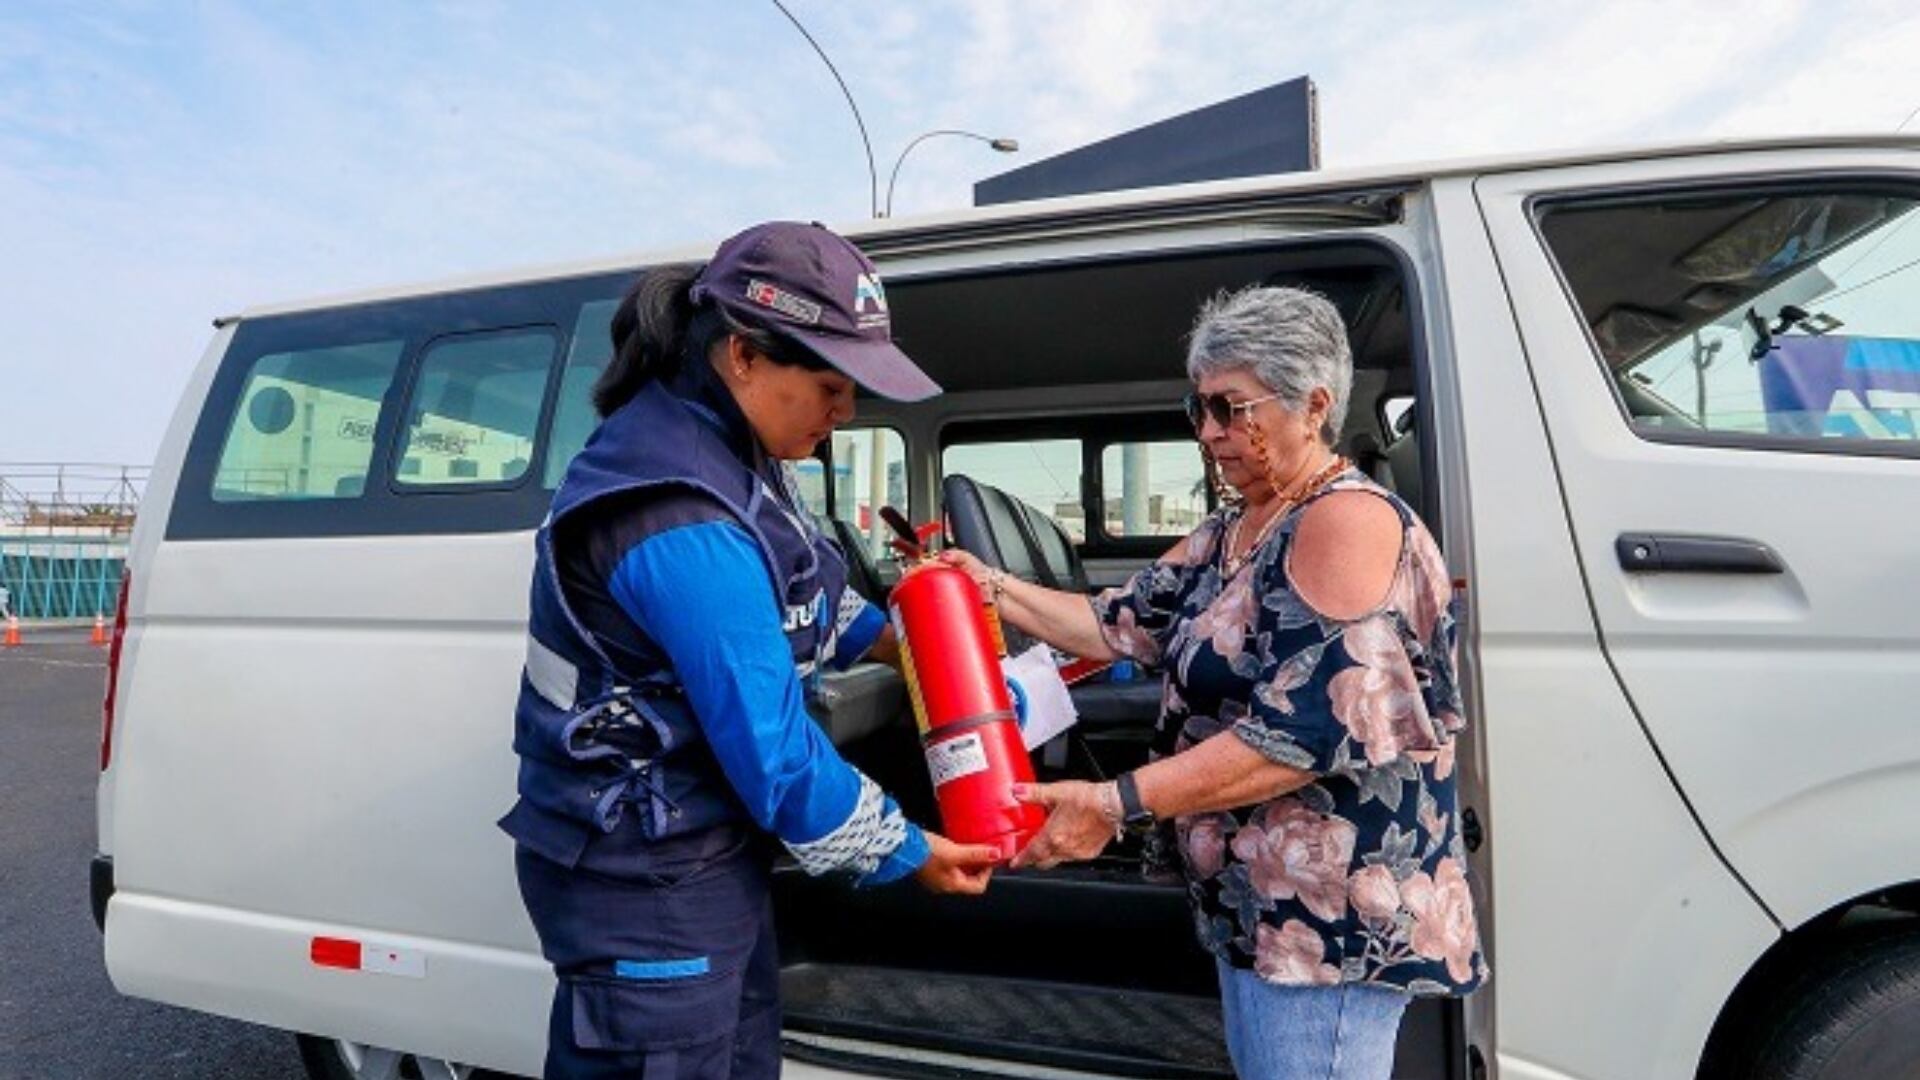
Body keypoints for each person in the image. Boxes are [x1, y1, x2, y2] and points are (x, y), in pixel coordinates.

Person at [940, 285, 1485, 1080]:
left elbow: (1298, 738)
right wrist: (987, 585)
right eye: (1197, 409)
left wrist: (1111, 802)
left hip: (1326, 922)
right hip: (1257, 909)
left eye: (1232, 410)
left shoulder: (1345, 521)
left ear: (1313, 405)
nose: (1209, 433)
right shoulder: (1237, 526)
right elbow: (1116, 622)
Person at [502, 221, 999, 1080]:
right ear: (743, 356)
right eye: (831, 385)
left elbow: (816, 600)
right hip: (641, 878)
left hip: (703, 852)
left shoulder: (746, 463)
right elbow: (774, 754)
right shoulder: (676, 514)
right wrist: (911, 850)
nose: (846, 413)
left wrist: (935, 665)